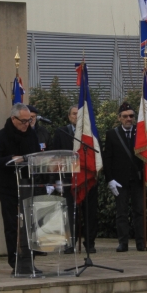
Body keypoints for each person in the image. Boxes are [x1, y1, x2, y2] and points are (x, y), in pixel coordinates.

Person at [0, 103, 41, 274]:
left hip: (28, 185)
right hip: (9, 188)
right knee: (12, 226)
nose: (27, 124)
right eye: (23, 121)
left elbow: (37, 156)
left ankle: (29, 262)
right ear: (13, 119)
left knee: (30, 226)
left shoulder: (31, 135)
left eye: (29, 120)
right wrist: (11, 159)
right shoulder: (1, 136)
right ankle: (16, 263)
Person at [53, 105, 99, 254]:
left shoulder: (90, 134)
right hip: (68, 179)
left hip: (86, 178)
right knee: (69, 213)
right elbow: (54, 156)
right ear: (69, 116)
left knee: (90, 213)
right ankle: (70, 243)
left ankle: (89, 242)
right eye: (73, 114)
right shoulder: (61, 132)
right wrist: (56, 179)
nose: (76, 117)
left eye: (79, 114)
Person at [104, 102, 146, 252]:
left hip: (137, 180)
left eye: (131, 116)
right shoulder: (112, 134)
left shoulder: (141, 133)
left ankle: (141, 243)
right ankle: (123, 243)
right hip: (119, 181)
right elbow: (107, 159)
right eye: (125, 116)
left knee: (139, 212)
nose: (129, 119)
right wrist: (110, 180)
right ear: (119, 118)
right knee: (121, 213)